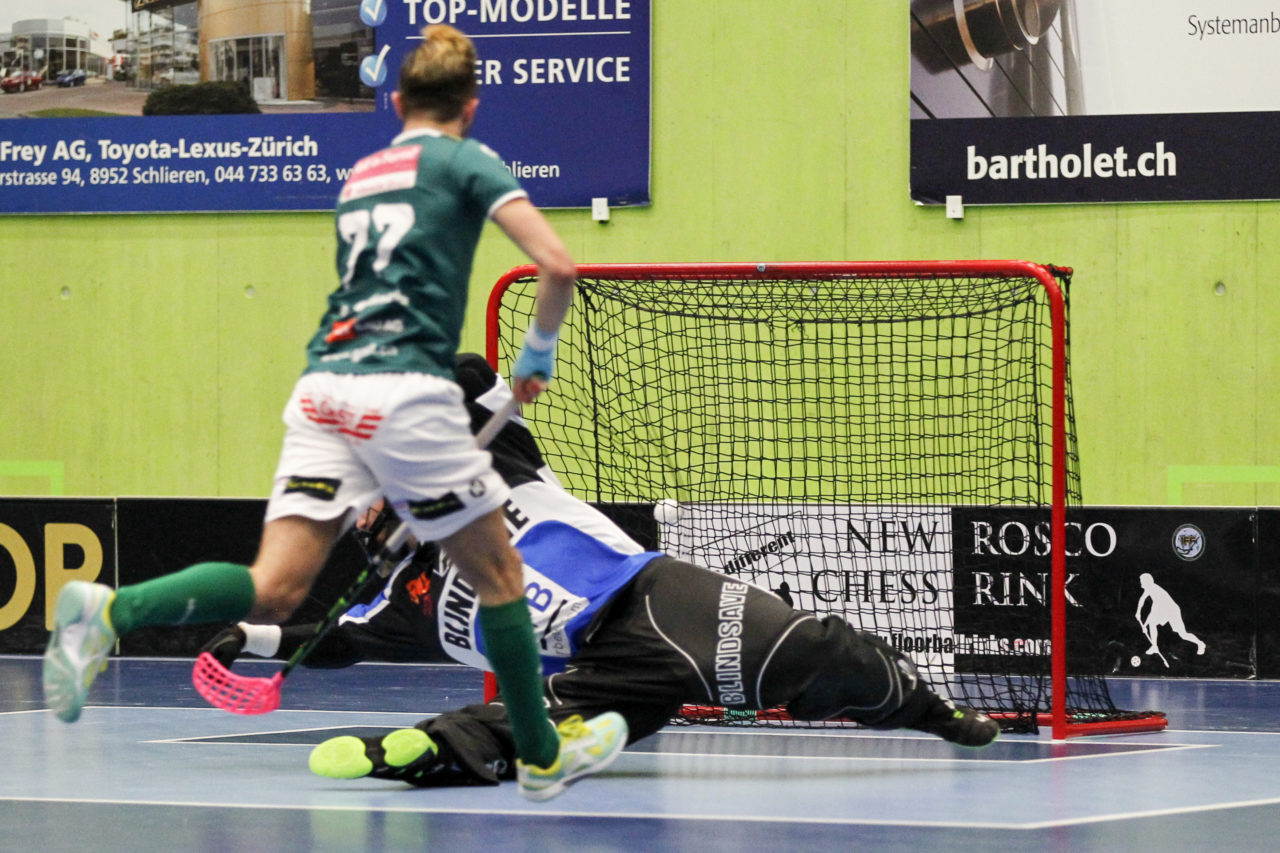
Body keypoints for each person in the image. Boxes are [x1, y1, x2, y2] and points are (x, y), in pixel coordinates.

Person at [41, 25, 623, 802]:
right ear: (470, 107)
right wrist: (537, 354)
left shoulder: (363, 176)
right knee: (501, 576)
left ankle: (113, 608)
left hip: (325, 390)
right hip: (406, 395)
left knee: (275, 583)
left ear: (395, 102)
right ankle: (545, 757)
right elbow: (556, 264)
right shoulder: (467, 159)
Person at [203, 354, 1000, 792]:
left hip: (651, 600)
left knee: (815, 652)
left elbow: (472, 373)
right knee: (517, 726)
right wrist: (249, 636)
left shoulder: (493, 464)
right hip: (592, 668)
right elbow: (334, 641)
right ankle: (412, 750)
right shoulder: (401, 598)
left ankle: (936, 714)